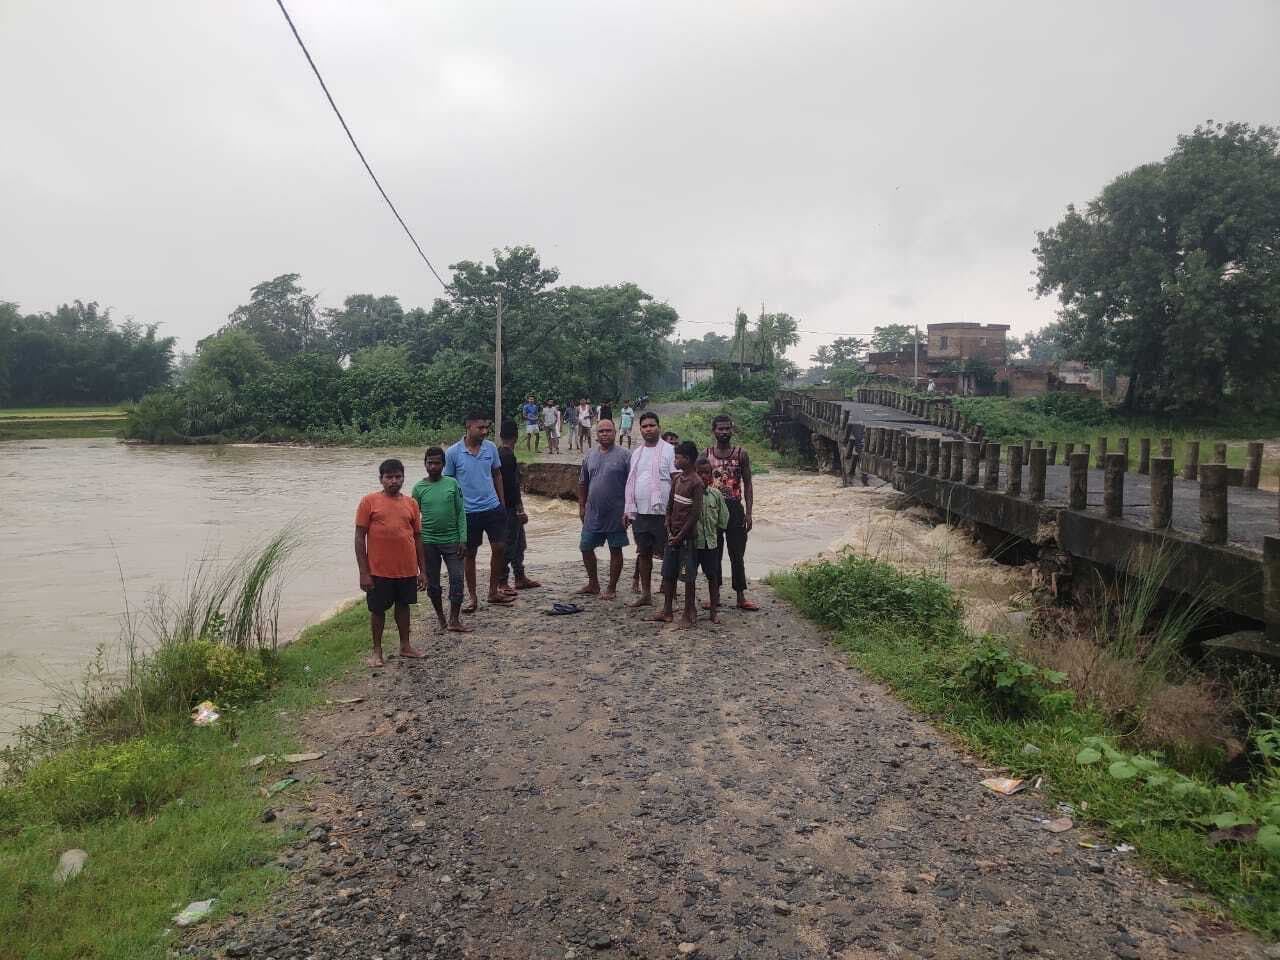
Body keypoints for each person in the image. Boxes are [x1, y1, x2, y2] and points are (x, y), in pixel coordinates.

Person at [355, 458, 427, 667]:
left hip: (406, 568)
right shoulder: (369, 501)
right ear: (381, 479)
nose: (394, 481)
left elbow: (418, 537)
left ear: (403, 478)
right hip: (378, 569)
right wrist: (363, 572)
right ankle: (377, 651)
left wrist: (422, 570)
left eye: (398, 477)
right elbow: (360, 537)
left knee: (404, 606)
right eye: (389, 477)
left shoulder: (411, 503)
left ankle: (405, 646)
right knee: (377, 610)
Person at [444, 412, 514, 611]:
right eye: (480, 428)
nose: (484, 431)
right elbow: (449, 484)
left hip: (492, 508)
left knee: (499, 548)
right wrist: (453, 512)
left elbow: (497, 474)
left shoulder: (491, 448)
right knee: (469, 554)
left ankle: (493, 591)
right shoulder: (453, 453)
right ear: (468, 426)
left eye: (486, 428)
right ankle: (473, 597)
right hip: (467, 512)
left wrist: (501, 503)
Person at [411, 446, 471, 634]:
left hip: (453, 541)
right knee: (433, 583)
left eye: (437, 463)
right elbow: (413, 520)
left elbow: (461, 512)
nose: (433, 466)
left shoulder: (452, 484)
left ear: (444, 464)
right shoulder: (418, 488)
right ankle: (441, 618)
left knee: (457, 579)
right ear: (425, 464)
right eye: (430, 463)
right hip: (428, 542)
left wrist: (463, 539)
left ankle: (454, 618)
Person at [704, 414, 758, 610]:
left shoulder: (741, 454)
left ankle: (740, 596)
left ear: (732, 430)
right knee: (714, 553)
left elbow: (749, 484)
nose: (724, 432)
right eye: (720, 429)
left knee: (737, 554)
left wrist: (749, 513)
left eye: (727, 429)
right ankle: (715, 595)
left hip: (735, 508)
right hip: (712, 510)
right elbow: (700, 484)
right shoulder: (706, 454)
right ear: (714, 431)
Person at [649, 441, 703, 628]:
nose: (675, 460)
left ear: (687, 459)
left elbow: (695, 514)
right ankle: (667, 610)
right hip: (673, 536)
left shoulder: (696, 483)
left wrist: (680, 535)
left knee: (688, 577)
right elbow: (670, 505)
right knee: (669, 574)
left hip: (687, 538)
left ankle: (689, 613)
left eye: (677, 457)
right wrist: (667, 523)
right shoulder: (677, 480)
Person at [623, 411, 674, 607]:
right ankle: (646, 594)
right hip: (640, 514)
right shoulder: (637, 453)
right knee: (643, 554)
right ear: (640, 429)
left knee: (669, 554)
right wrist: (628, 510)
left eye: (652, 425)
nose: (648, 429)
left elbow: (676, 479)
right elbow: (631, 481)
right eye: (644, 426)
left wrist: (674, 512)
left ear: (659, 427)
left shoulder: (669, 450)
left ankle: (670, 596)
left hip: (663, 514)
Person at [577, 419, 631, 599]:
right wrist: (581, 506)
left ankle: (611, 588)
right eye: (601, 431)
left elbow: (632, 484)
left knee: (616, 549)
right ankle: (593, 583)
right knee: (585, 547)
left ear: (615, 433)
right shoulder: (589, 455)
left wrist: (630, 510)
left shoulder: (625, 455)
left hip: (617, 513)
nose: (605, 434)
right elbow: (583, 483)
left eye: (609, 430)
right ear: (596, 435)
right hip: (593, 512)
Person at [497, 419, 541, 592]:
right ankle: (502, 581)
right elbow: (512, 488)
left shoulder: (499, 453)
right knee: (509, 544)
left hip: (504, 506)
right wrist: (519, 510)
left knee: (519, 543)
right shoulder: (507, 457)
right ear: (516, 437)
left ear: (501, 436)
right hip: (509, 508)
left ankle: (519, 576)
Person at [694, 456, 729, 623]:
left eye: (706, 473)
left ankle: (714, 611)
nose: (702, 476)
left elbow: (723, 519)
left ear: (711, 475)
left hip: (711, 544)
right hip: (692, 544)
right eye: (699, 473)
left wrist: (714, 532)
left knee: (712, 577)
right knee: (689, 576)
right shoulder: (688, 493)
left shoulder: (716, 494)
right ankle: (690, 608)